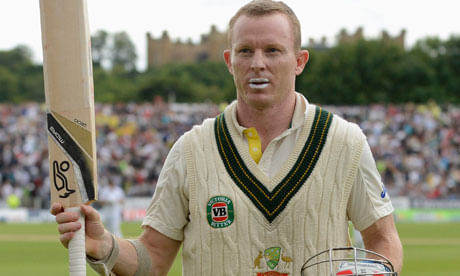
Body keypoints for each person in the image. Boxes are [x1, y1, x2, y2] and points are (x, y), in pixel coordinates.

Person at [51, 1, 403, 275]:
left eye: (273, 50)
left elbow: (383, 239)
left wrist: (378, 272)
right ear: (229, 61)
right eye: (245, 51)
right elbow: (153, 259)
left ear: (299, 61)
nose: (258, 63)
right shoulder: (191, 150)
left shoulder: (344, 141)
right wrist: (105, 245)